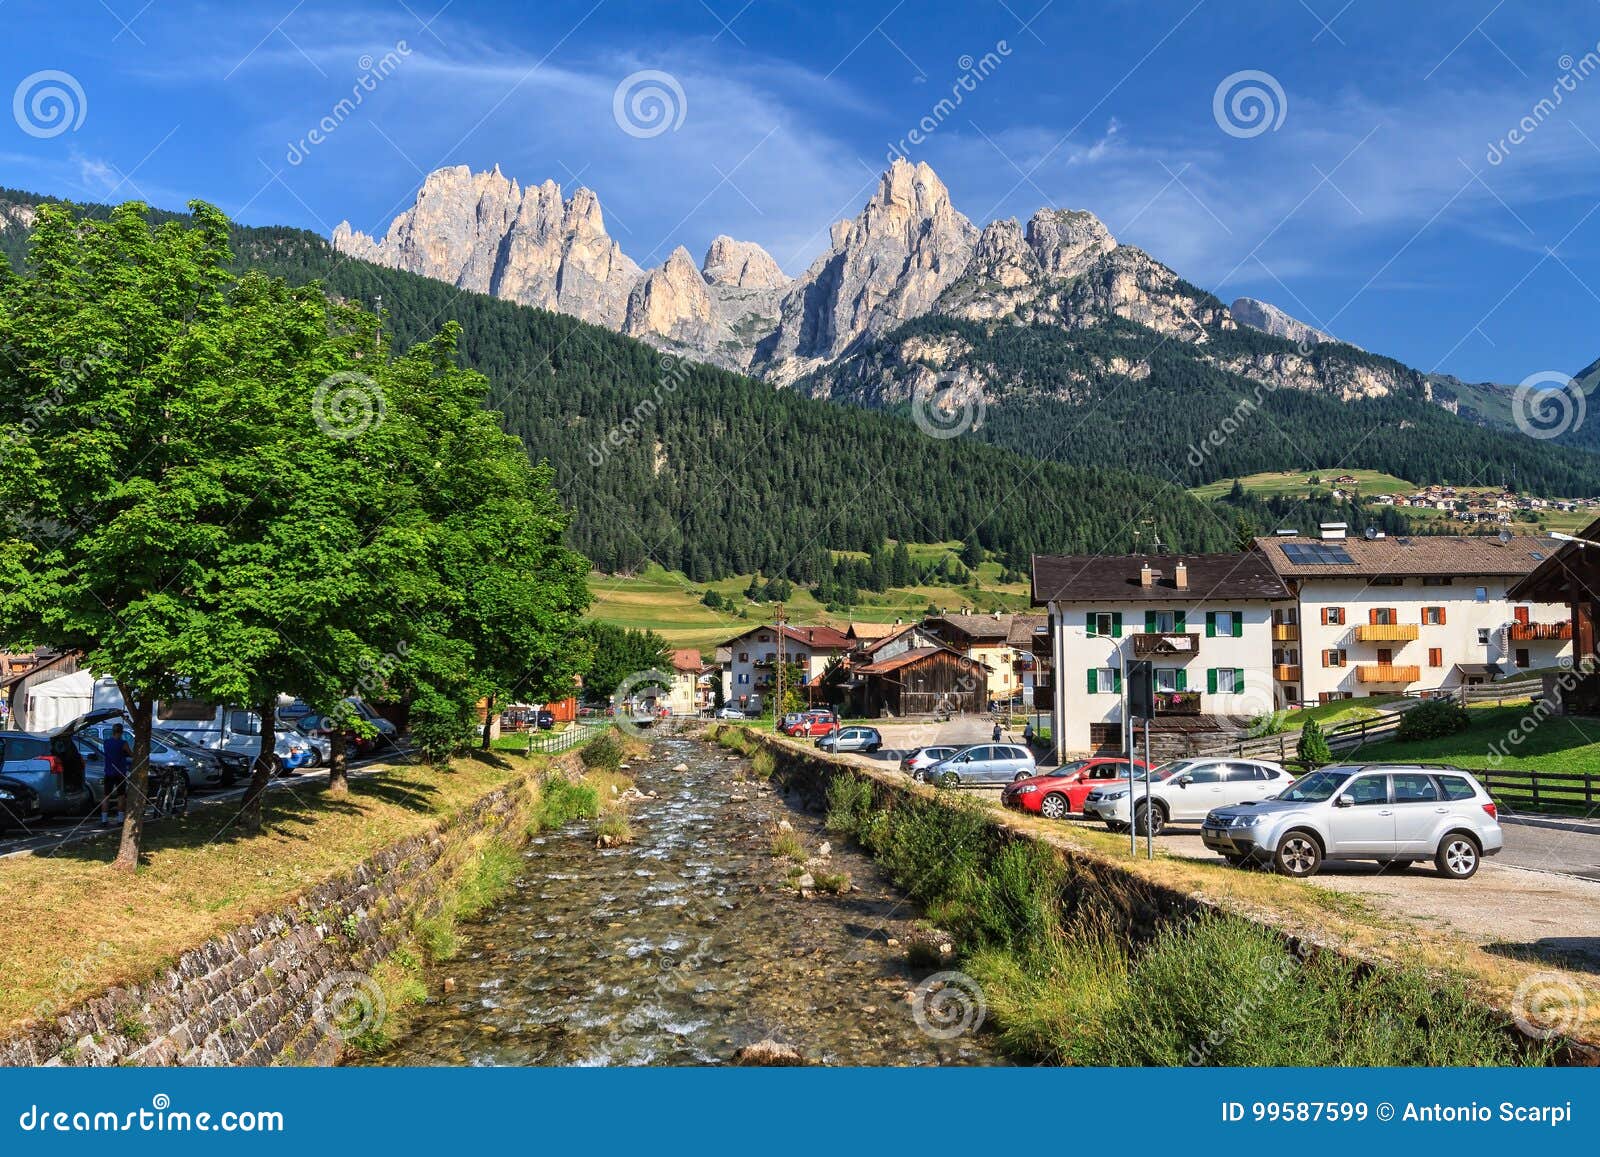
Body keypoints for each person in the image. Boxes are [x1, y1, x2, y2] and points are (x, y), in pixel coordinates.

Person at [100, 723, 130, 826]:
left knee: (106, 796)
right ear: (121, 732)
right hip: (120, 772)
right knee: (121, 796)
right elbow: (130, 753)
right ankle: (120, 820)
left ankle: (104, 820)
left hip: (109, 772)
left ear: (112, 731)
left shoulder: (106, 742)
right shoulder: (123, 743)